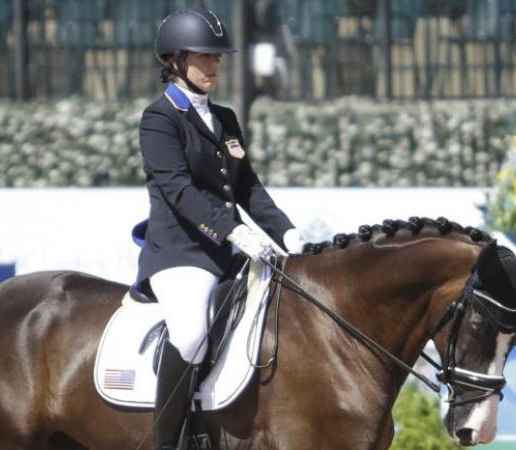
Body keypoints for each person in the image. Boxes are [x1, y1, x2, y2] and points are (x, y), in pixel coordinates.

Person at [136, 7, 304, 449]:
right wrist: (234, 231)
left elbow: (248, 187)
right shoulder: (159, 118)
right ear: (174, 60)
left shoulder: (225, 118)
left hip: (228, 250)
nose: (214, 65)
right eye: (204, 57)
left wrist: (287, 234)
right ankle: (167, 442)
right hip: (180, 252)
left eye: (218, 58)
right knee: (191, 333)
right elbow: (179, 192)